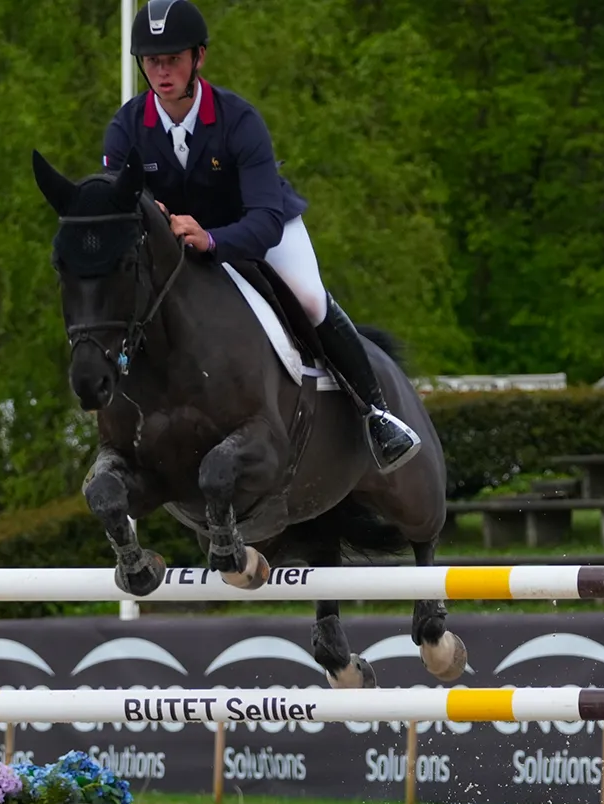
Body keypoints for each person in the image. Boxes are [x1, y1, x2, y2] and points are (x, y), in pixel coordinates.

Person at [100, 0, 422, 473]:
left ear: (199, 58)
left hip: (257, 228)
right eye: (152, 61)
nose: (162, 71)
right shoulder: (125, 128)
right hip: (178, 244)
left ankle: (376, 415)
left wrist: (211, 240)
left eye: (173, 59)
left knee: (310, 300)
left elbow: (266, 219)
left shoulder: (238, 120)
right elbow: (121, 209)